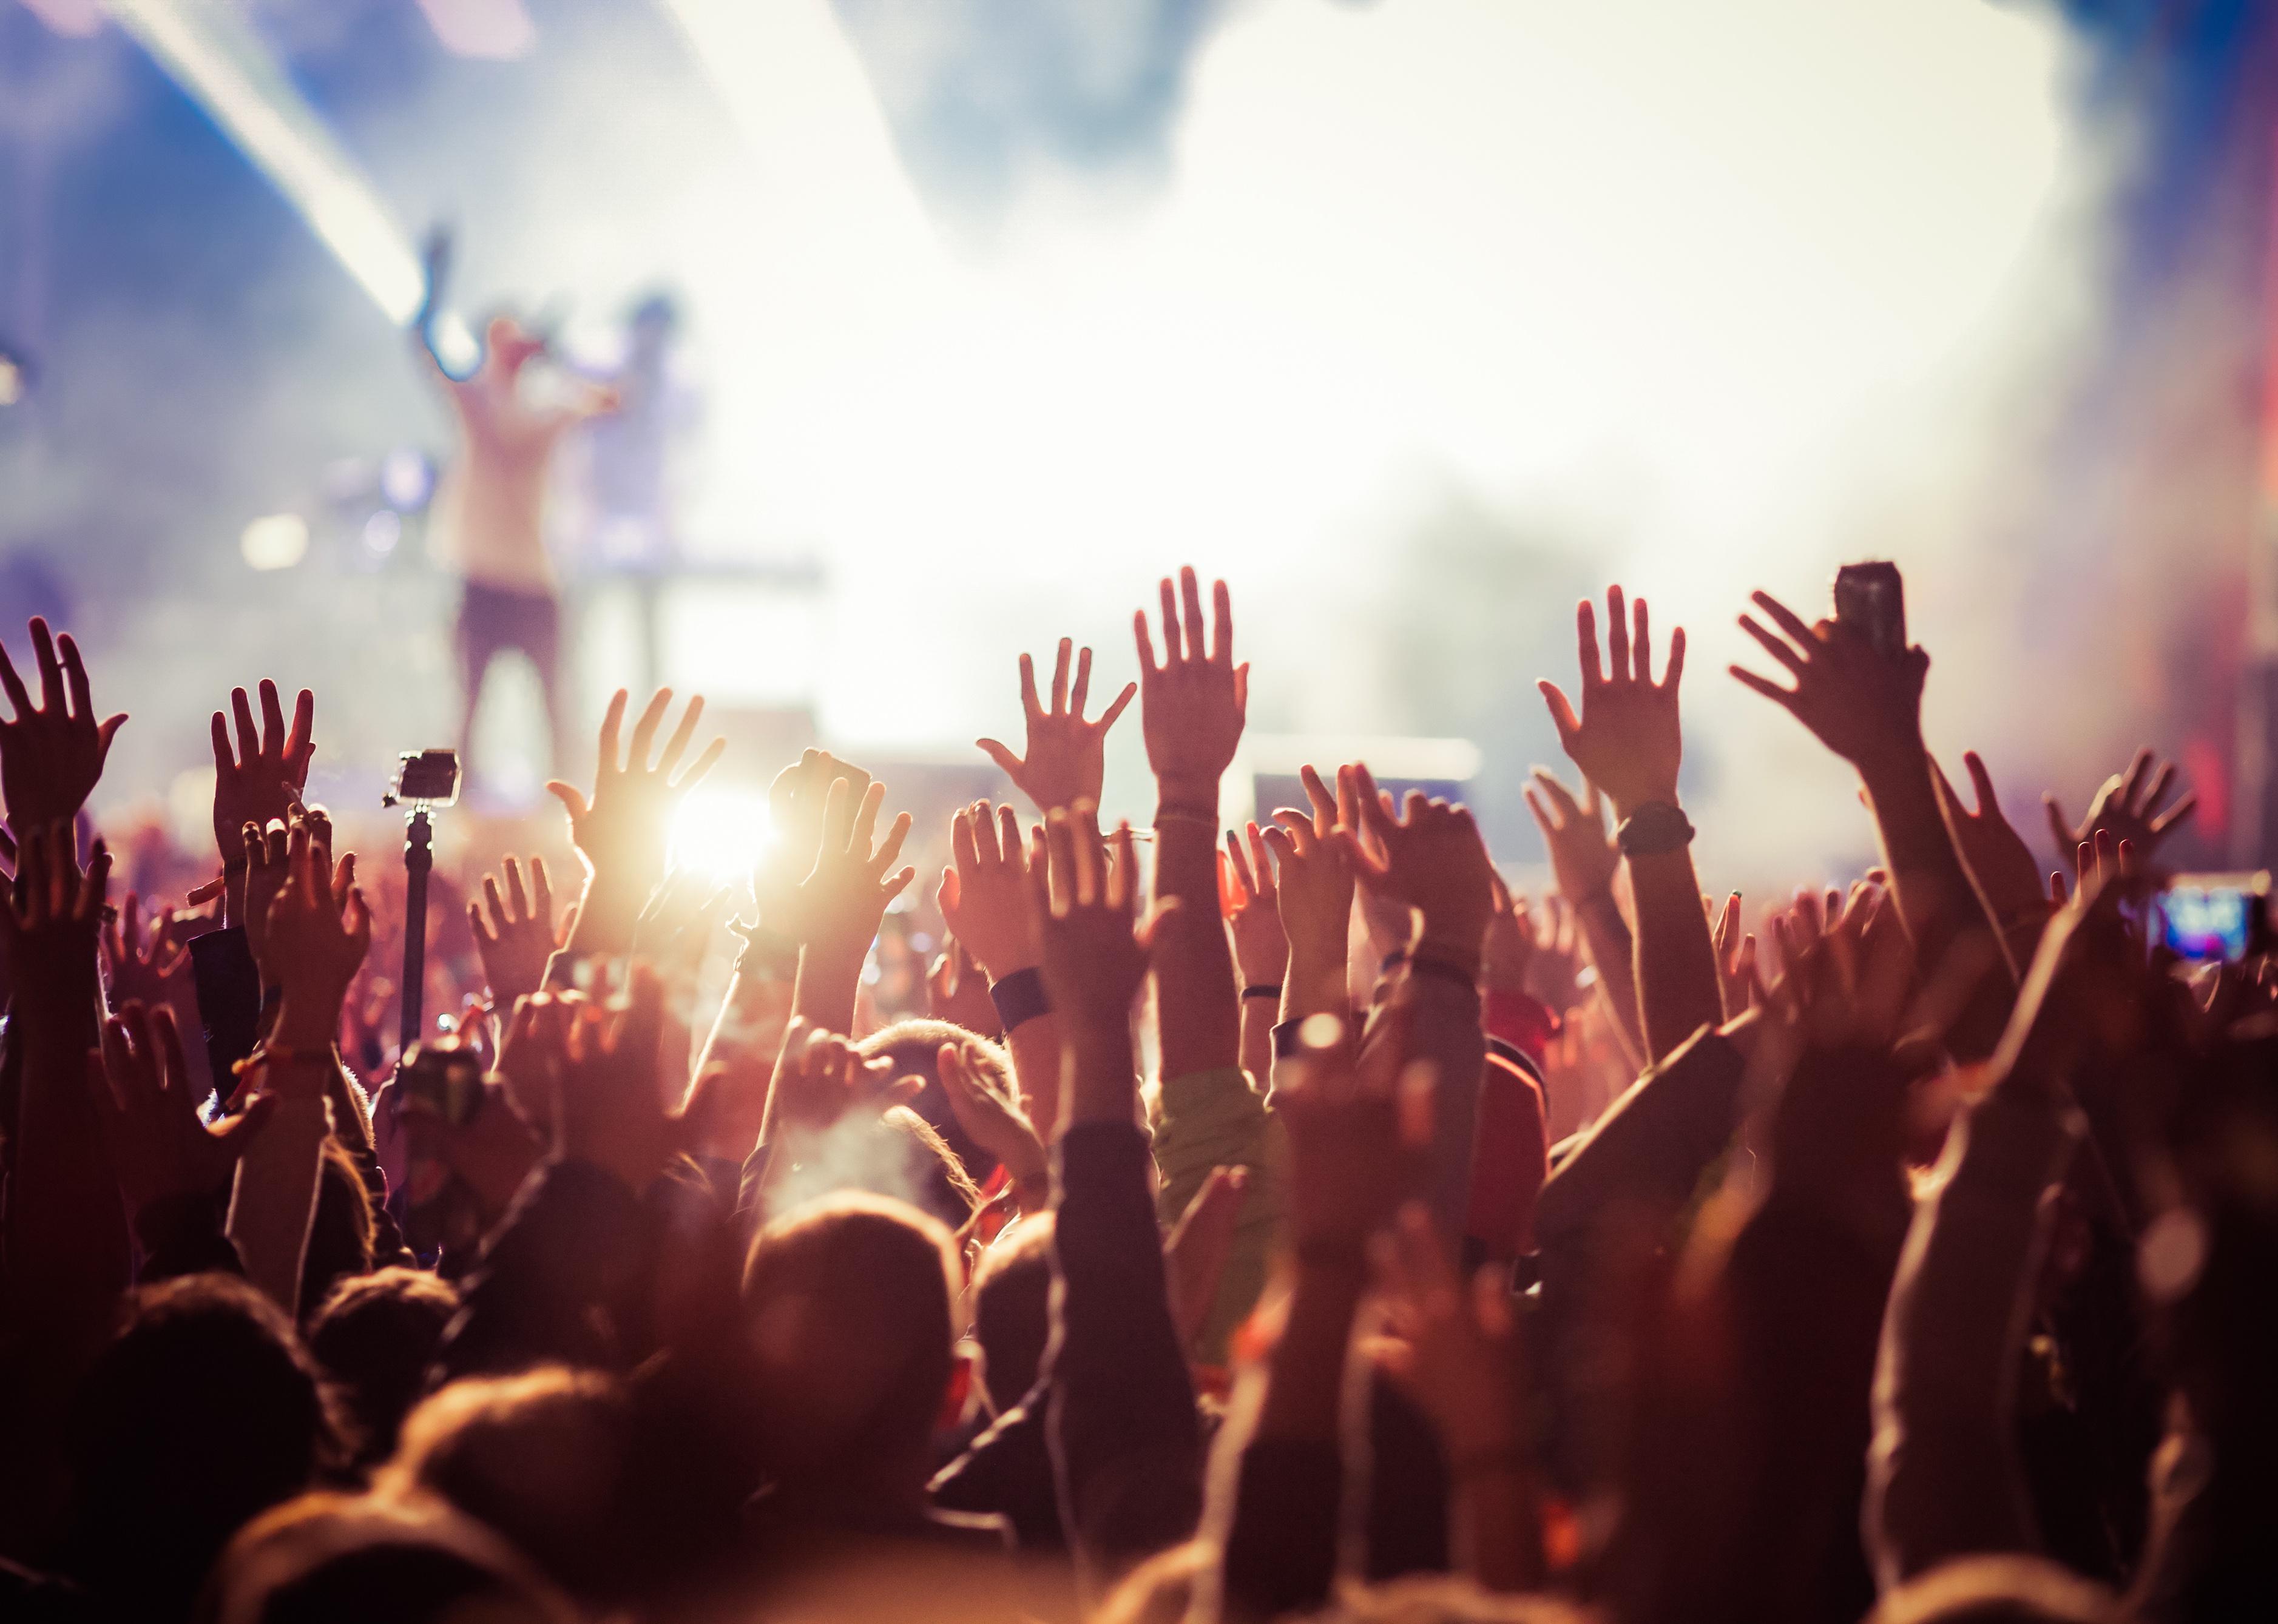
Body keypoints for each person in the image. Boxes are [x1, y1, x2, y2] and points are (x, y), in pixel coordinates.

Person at [410, 229, 617, 783]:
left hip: (534, 581)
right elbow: (420, 342)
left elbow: (616, 401)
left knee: (556, 710)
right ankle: (466, 822)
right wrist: (433, 283)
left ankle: (566, 818)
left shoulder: (549, 406)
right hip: (482, 579)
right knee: (469, 711)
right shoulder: (475, 399)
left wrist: (560, 357)